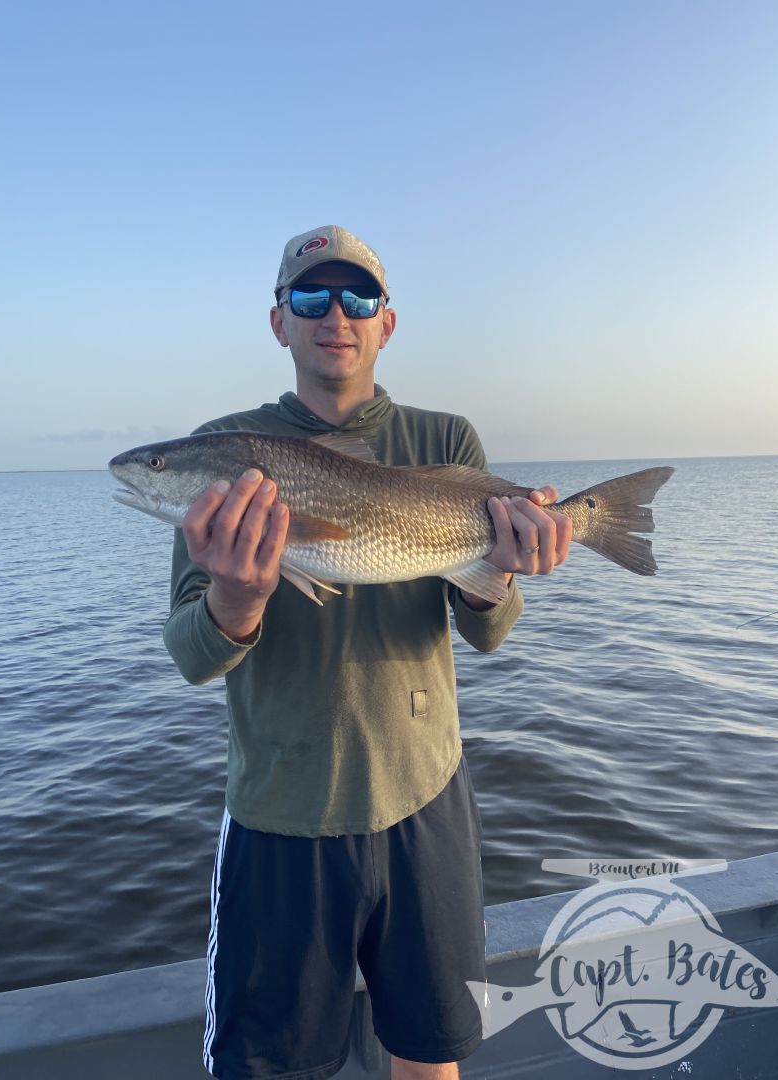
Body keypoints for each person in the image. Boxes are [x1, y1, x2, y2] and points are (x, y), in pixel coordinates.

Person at [163, 225, 572, 1080]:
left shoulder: (445, 442)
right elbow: (193, 654)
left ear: (388, 322)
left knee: (431, 1054)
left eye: (359, 297)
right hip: (282, 810)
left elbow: (488, 631)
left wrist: (497, 572)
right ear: (280, 322)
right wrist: (238, 598)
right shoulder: (229, 454)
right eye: (311, 297)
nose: (335, 315)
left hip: (426, 796)